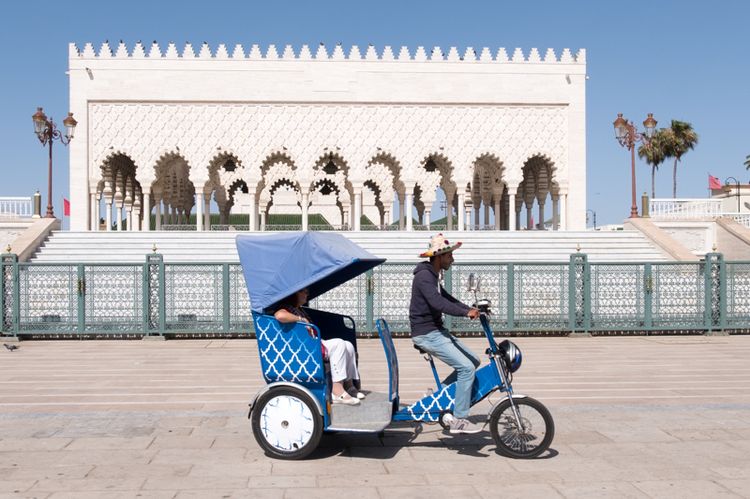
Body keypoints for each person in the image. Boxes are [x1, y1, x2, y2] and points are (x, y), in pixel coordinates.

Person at [409, 233, 482, 434]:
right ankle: (459, 419)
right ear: (439, 257)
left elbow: (448, 298)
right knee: (466, 368)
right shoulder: (424, 276)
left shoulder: (432, 275)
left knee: (474, 361)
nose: (452, 259)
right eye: (449, 255)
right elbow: (437, 303)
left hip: (436, 330)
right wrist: (465, 313)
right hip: (426, 333)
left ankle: (439, 397)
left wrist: (471, 308)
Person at [273, 287, 365, 406]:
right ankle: (337, 390)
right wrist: (300, 319)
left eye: (307, 292)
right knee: (339, 344)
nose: (306, 294)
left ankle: (349, 385)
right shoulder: (286, 308)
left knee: (348, 345)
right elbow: (279, 315)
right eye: (303, 292)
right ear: (294, 294)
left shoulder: (298, 309)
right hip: (307, 347)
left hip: (315, 341)